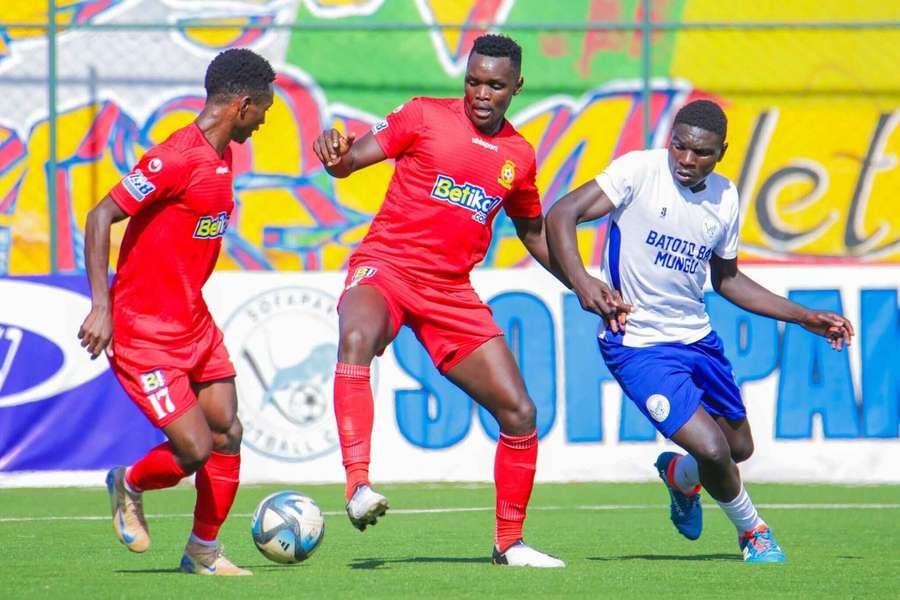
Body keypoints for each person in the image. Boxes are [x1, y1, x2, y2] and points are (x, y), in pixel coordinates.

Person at [545, 99, 854, 563]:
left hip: (696, 338)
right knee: (711, 448)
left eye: (702, 152)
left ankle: (679, 476)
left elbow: (727, 279)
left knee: (736, 448)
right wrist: (584, 282)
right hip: (637, 343)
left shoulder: (725, 197)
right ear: (670, 139)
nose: (686, 160)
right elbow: (560, 214)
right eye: (680, 146)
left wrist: (803, 316)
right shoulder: (638, 171)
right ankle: (753, 533)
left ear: (721, 152)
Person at [311, 34, 565, 568]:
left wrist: (584, 285)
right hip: (387, 268)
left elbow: (532, 230)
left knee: (519, 412)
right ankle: (358, 486)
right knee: (355, 337)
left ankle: (509, 544)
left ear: (517, 86)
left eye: (495, 85)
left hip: (450, 292)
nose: (481, 94)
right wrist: (335, 154)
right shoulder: (423, 116)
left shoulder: (519, 156)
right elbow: (349, 161)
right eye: (473, 81)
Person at [77, 48, 276, 576]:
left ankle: (203, 551)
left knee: (228, 431)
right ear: (243, 104)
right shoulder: (174, 158)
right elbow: (100, 216)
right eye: (263, 111)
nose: (262, 123)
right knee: (193, 450)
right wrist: (101, 306)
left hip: (194, 323)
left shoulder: (224, 157)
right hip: (145, 333)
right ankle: (129, 483)